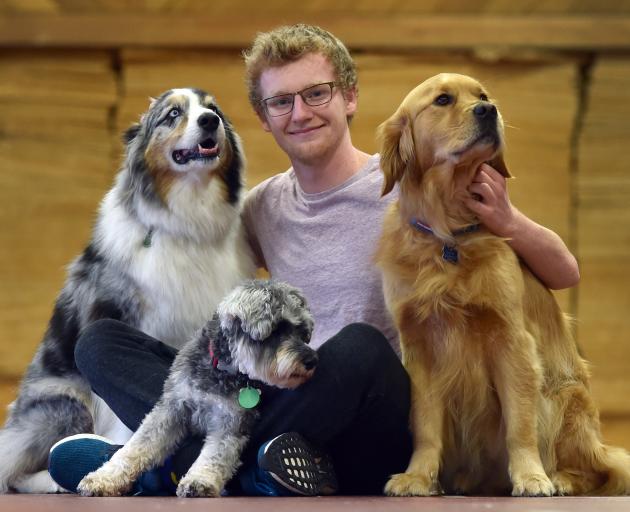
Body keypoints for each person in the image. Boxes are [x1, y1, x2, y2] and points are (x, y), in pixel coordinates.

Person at [48, 24, 579, 497]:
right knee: (101, 340)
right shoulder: (260, 207)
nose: (300, 113)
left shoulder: (412, 184)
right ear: (263, 117)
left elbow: (563, 273)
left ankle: (166, 466)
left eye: (316, 93)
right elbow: (185, 252)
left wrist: (510, 223)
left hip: (376, 414)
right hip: (280, 406)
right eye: (281, 102)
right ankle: (253, 469)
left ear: (349, 97)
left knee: (360, 346)